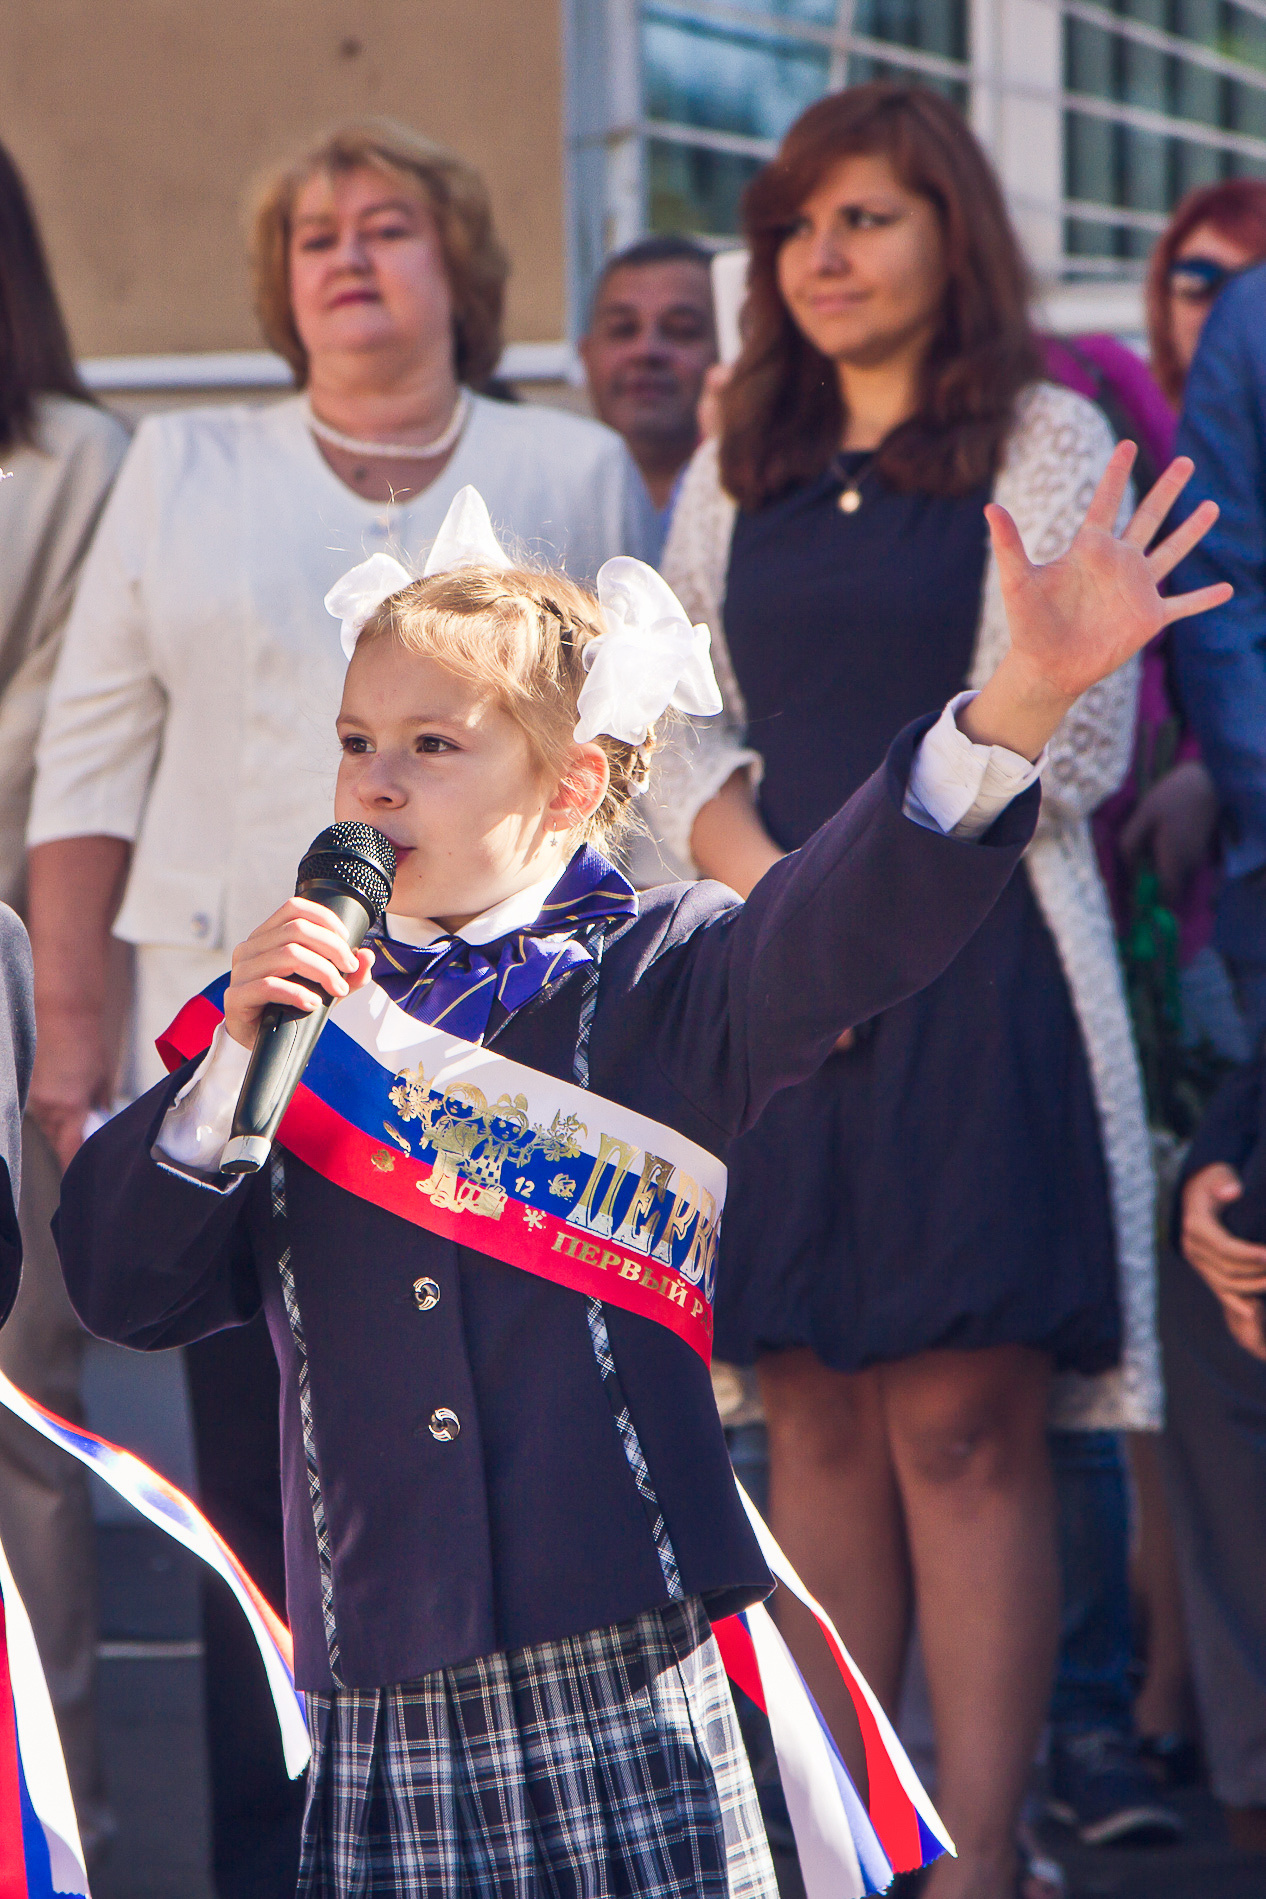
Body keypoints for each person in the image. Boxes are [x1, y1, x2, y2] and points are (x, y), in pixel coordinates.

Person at [53, 445, 1219, 1898]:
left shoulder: (661, 972)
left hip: (632, 1659)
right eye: (356, 740)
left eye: (433, 742)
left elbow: (841, 923)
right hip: (381, 1678)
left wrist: (1023, 697)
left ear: (572, 781)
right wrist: (236, 1055)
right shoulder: (299, 1029)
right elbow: (124, 1282)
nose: (375, 778)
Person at [25, 117, 655, 1899]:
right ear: (277, 281)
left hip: (518, 1067)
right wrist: (76, 1035)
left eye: (388, 224)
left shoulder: (579, 462)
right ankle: (282, 1853)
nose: (347, 254)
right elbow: (89, 757)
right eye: (313, 232)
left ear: (461, 262)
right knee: (258, 1485)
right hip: (259, 1054)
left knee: (517, 1449)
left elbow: (659, 771)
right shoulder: (184, 464)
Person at [643, 83, 1173, 1896]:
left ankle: (980, 1857)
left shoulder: (1040, 436)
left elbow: (1078, 735)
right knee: (808, 1419)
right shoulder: (733, 461)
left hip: (976, 978)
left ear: (953, 231)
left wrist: (877, 902)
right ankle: (839, 1847)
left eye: (865, 216)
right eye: (795, 226)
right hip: (774, 975)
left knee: (959, 1420)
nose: (822, 256)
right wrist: (788, 905)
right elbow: (670, 721)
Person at [0, 137, 129, 1865]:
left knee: (19, 1437)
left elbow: (61, 734)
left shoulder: (79, 460)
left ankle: (50, 1835)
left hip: (8, 961)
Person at [580, 234, 717, 552]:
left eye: (682, 330)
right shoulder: (553, 491)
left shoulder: (765, 501)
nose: (646, 351)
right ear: (586, 356)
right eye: (623, 329)